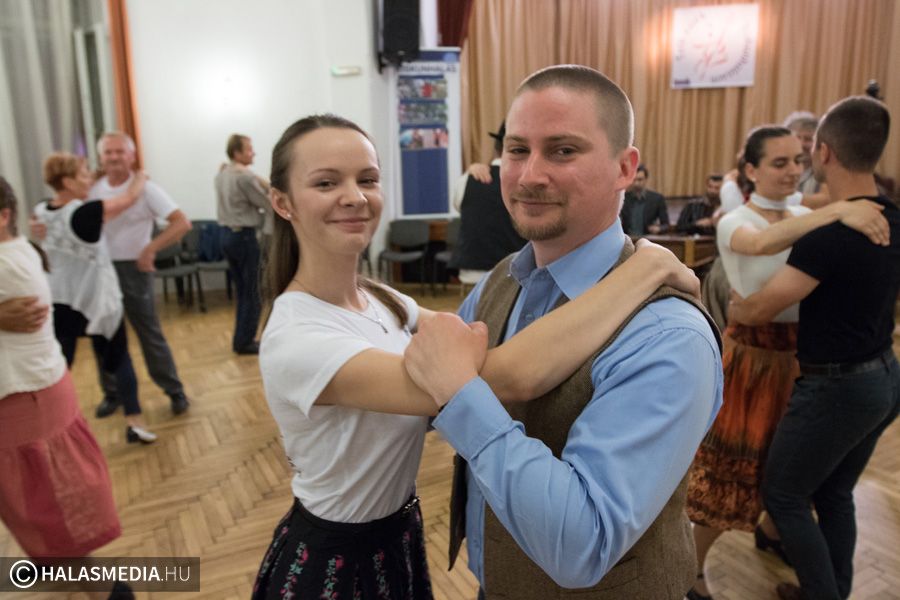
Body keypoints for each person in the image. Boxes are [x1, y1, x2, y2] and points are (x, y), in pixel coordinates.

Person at [253, 113, 702, 599]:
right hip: (335, 556)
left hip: (397, 536)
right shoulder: (297, 337)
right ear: (282, 202)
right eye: (326, 182)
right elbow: (502, 375)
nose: (355, 197)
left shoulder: (381, 299)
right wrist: (642, 270)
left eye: (367, 179)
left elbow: (473, 345)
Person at [404, 65, 723, 599]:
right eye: (517, 149)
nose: (529, 175)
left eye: (563, 151)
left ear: (625, 168)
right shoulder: (502, 280)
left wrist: (460, 395)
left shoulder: (667, 333)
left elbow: (584, 545)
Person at [684, 126, 888, 600]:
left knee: (792, 469)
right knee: (735, 471)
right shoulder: (735, 220)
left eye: (799, 160)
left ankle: (773, 532)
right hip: (752, 364)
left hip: (802, 360)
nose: (794, 170)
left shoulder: (804, 212)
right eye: (779, 163)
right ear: (750, 171)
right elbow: (762, 244)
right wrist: (838, 209)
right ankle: (692, 572)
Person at [34, 152, 158, 444]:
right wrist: (141, 176)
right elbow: (128, 198)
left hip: (61, 299)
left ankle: (51, 429)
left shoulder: (41, 210)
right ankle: (134, 422)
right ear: (67, 181)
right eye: (83, 174)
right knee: (119, 358)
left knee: (61, 365)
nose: (89, 178)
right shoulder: (86, 211)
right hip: (95, 300)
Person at [91, 132, 190, 417]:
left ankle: (173, 389)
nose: (114, 157)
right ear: (101, 157)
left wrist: (150, 249)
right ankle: (112, 393)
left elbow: (181, 223)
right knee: (105, 333)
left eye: (119, 151)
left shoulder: (147, 189)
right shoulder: (93, 189)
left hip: (134, 270)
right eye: (108, 152)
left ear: (132, 156)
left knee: (149, 333)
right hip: (101, 271)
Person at [450, 122, 526, 288]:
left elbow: (461, 207)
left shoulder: (466, 180)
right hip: (516, 272)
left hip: (473, 271)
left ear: (496, 148)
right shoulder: (529, 182)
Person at [215, 133, 272, 354]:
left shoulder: (222, 174)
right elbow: (269, 203)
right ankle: (245, 342)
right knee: (253, 292)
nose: (253, 152)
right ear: (237, 153)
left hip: (226, 236)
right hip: (244, 238)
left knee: (242, 291)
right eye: (249, 149)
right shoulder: (245, 177)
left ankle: (240, 339)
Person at [619, 163, 669, 235]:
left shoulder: (657, 199)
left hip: (648, 238)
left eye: (640, 180)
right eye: (634, 180)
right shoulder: (624, 198)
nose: (636, 183)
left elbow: (666, 225)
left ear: (646, 179)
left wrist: (658, 229)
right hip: (628, 238)